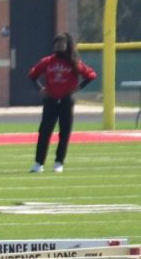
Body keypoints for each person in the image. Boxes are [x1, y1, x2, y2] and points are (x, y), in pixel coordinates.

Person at [28, 33, 97, 172]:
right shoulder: (47, 61)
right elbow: (32, 74)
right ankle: (38, 163)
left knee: (64, 132)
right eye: (57, 44)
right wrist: (40, 88)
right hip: (51, 100)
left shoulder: (74, 62)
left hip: (66, 100)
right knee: (44, 132)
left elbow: (91, 75)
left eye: (62, 44)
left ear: (67, 46)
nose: (59, 46)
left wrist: (79, 87)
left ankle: (59, 162)